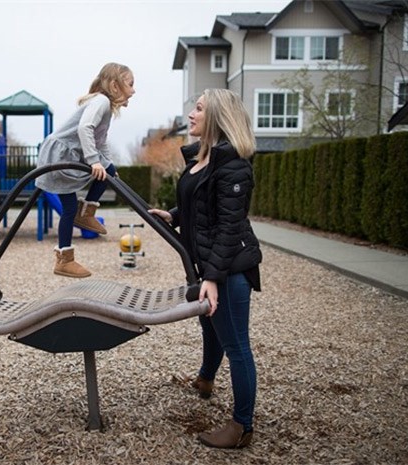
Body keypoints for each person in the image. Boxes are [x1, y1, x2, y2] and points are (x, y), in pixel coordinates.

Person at [149, 89, 262, 449]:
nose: (191, 113)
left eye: (198, 108)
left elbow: (229, 228)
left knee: (236, 345)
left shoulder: (233, 166)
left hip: (227, 269)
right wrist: (173, 215)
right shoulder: (204, 159)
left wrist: (212, 279)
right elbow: (199, 206)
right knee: (209, 326)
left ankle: (242, 425)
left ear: (216, 115)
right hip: (207, 266)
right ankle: (205, 379)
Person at [35, 62, 135, 278]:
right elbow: (84, 128)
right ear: (115, 86)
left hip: (65, 153)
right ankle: (84, 216)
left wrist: (106, 163)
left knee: (70, 207)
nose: (134, 90)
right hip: (60, 154)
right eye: (130, 84)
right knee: (73, 204)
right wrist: (94, 161)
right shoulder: (101, 102)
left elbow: (100, 142)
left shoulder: (105, 107)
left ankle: (65, 257)